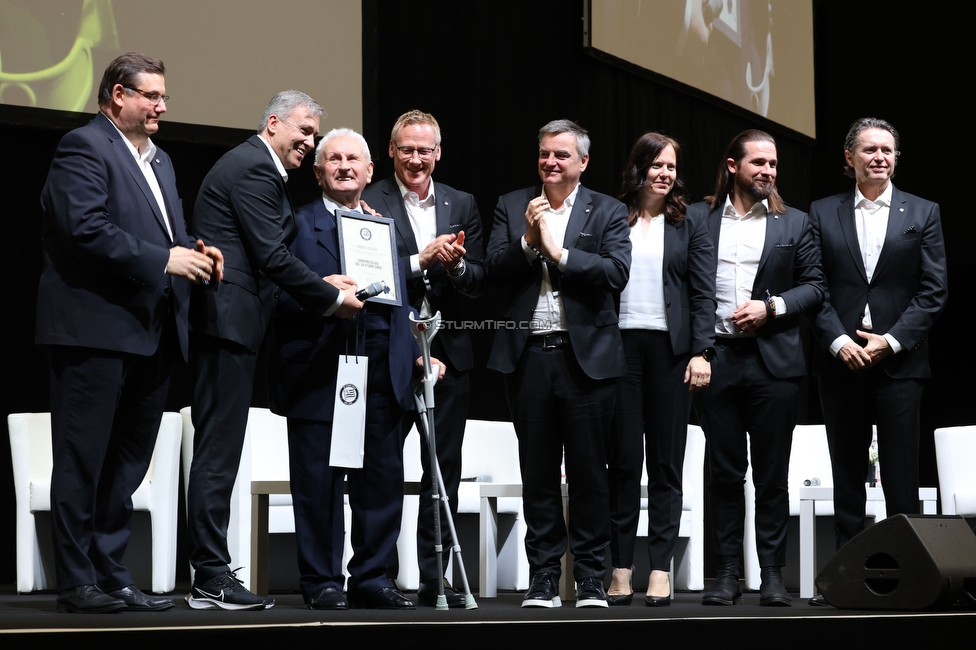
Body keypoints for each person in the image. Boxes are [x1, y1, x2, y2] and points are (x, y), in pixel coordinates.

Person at [37, 52, 222, 613]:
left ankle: (110, 573)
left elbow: (168, 233)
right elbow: (84, 229)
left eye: (163, 96)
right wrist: (163, 260)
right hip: (94, 330)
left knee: (127, 463)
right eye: (151, 95)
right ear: (118, 94)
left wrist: (195, 252)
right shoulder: (84, 147)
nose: (162, 105)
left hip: (152, 333)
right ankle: (75, 581)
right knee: (83, 458)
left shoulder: (160, 160)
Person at [186, 91, 362, 611]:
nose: (309, 143)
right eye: (303, 131)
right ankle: (209, 577)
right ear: (272, 123)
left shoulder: (258, 170)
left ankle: (210, 572)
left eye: (313, 135)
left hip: (236, 326)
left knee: (221, 451)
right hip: (227, 325)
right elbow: (271, 255)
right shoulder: (254, 170)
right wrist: (331, 297)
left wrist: (321, 282)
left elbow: (267, 258)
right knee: (218, 453)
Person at [270, 128, 434, 610]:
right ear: (318, 172)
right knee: (319, 482)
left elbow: (399, 298)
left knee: (381, 479)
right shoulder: (296, 225)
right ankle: (321, 580)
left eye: (353, 160)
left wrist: (415, 348)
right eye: (334, 159)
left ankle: (373, 577)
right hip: (320, 367)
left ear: (369, 171)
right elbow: (275, 295)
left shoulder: (386, 228)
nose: (344, 166)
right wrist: (320, 290)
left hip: (383, 366)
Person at [486, 119, 631, 608]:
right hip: (528, 356)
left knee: (591, 473)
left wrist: (560, 253)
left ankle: (591, 577)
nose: (550, 162)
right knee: (539, 472)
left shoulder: (608, 209)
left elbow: (616, 273)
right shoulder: (512, 205)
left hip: (585, 360)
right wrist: (529, 242)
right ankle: (545, 576)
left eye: (561, 155)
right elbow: (491, 272)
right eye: (545, 153)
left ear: (582, 163)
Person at [807, 118, 947, 605]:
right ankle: (845, 580)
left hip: (899, 364)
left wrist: (889, 341)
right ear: (849, 157)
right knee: (846, 477)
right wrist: (837, 341)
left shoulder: (923, 212)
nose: (879, 157)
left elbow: (933, 292)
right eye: (869, 149)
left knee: (902, 478)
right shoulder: (821, 213)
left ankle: (905, 577)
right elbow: (814, 287)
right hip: (840, 361)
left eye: (887, 149)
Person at [690, 129, 824, 607]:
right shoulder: (696, 219)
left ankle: (771, 573)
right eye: (759, 163)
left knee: (771, 475)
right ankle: (726, 573)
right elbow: (684, 287)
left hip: (775, 362)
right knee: (724, 473)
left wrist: (772, 307)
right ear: (733, 166)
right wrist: (696, 349)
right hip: (717, 360)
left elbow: (815, 287)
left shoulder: (795, 223)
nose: (768, 171)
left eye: (773, 164)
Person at [361, 110, 485, 607]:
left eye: (425, 150)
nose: (416, 159)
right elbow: (368, 276)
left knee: (443, 473)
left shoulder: (462, 203)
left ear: (438, 153)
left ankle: (436, 579)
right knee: (382, 471)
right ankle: (378, 578)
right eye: (406, 149)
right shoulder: (370, 200)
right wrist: (420, 261)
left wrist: (454, 269)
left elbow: (476, 284)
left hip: (448, 355)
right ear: (391, 152)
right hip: (391, 352)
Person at [606, 133, 716, 607]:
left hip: (671, 354)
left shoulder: (691, 222)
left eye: (672, 165)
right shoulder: (611, 215)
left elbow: (703, 292)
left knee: (667, 466)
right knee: (625, 464)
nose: (665, 173)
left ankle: (659, 570)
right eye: (657, 164)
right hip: (618, 349)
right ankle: (619, 569)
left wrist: (702, 352)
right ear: (639, 167)